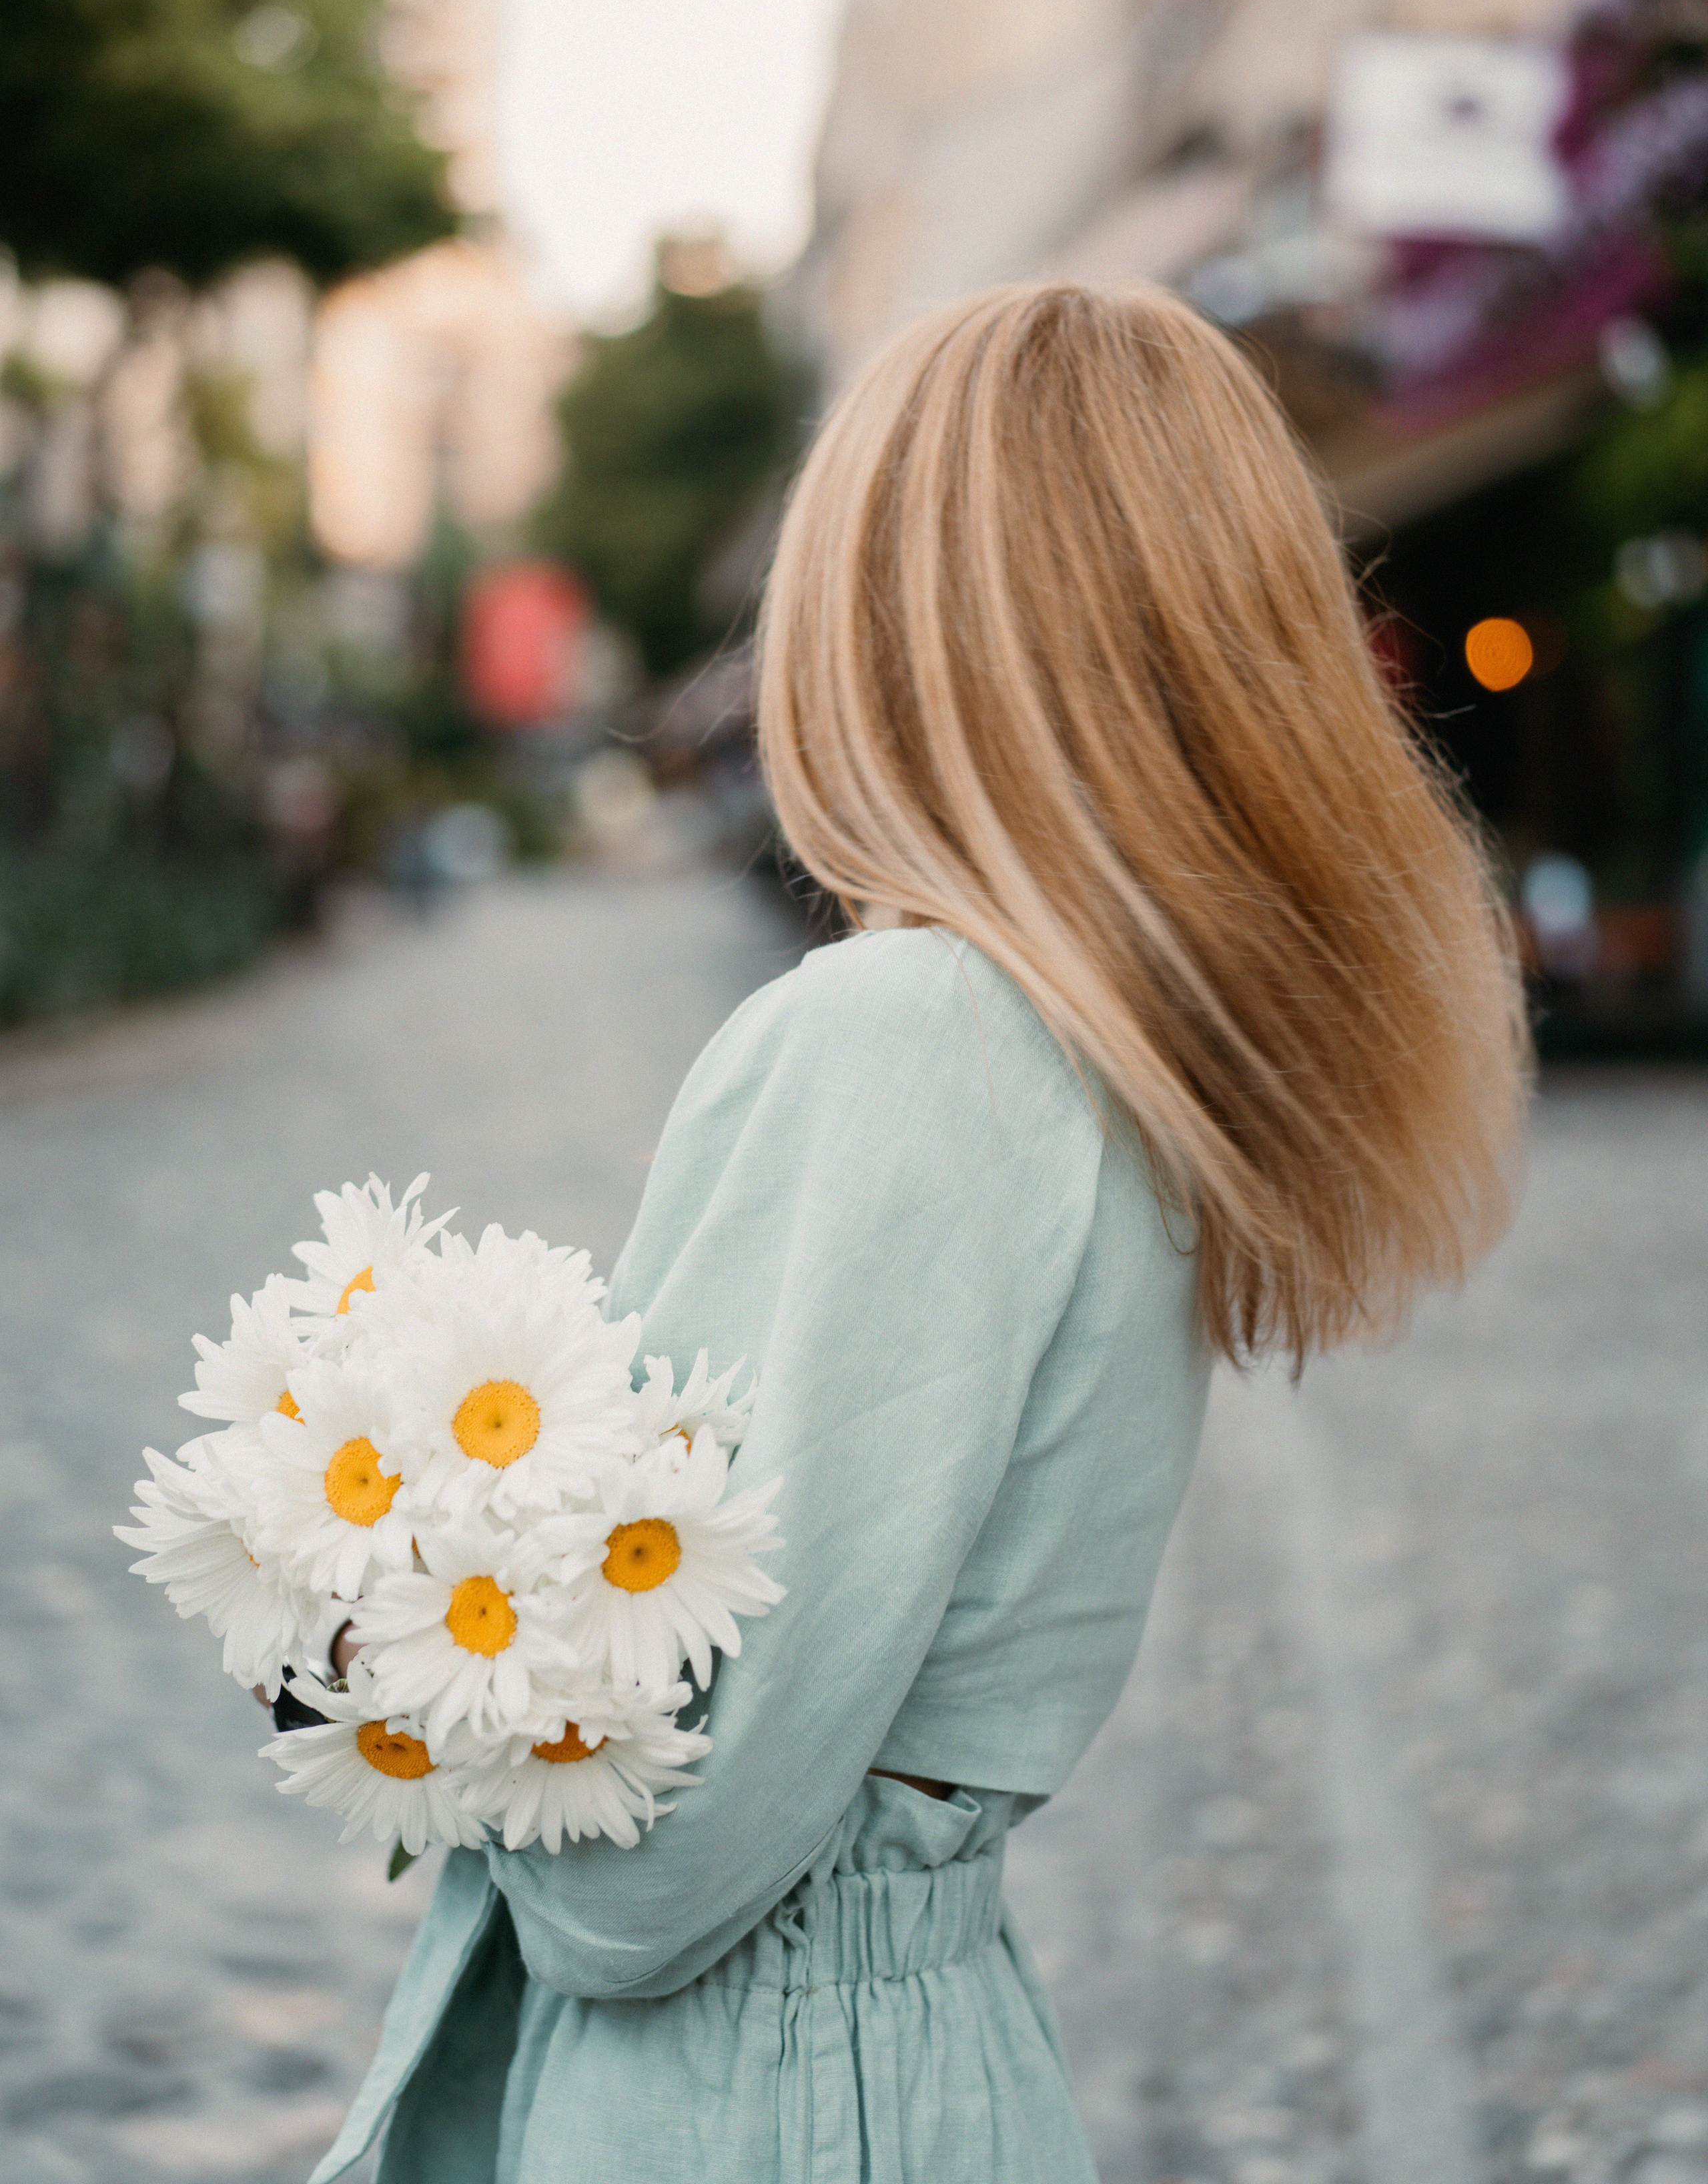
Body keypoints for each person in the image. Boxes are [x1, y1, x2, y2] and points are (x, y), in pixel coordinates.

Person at [308, 282, 1528, 2184]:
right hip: (922, 2049)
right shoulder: (1103, 1047)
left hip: (751, 2100)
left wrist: (402, 1639)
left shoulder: (910, 1039)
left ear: (886, 617)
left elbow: (660, 1869)